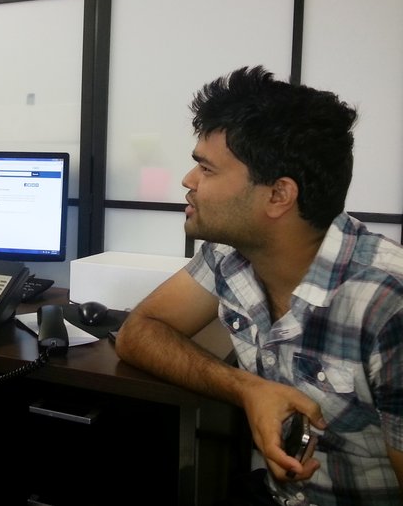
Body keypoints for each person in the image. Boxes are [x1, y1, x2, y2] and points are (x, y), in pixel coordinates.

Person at [114, 66, 403, 505]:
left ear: (278, 196)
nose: (188, 182)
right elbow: (140, 331)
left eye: (206, 170)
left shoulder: (387, 302)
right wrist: (247, 388)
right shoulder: (229, 254)